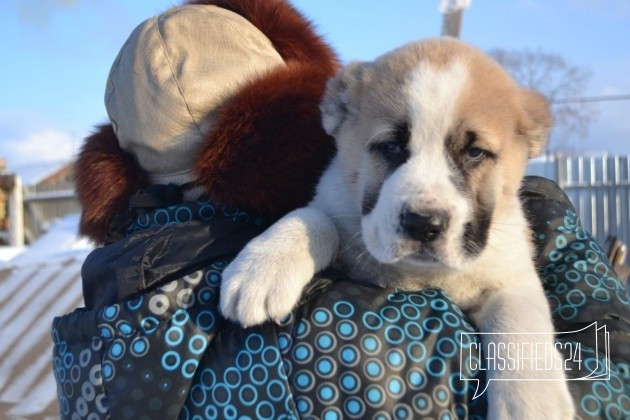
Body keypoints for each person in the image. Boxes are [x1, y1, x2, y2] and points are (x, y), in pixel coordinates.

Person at [52, 1, 630, 418]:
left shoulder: (112, 296)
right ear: (316, 121)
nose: (427, 202)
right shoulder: (330, 339)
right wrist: (591, 315)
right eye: (389, 148)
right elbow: (609, 382)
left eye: (474, 152)